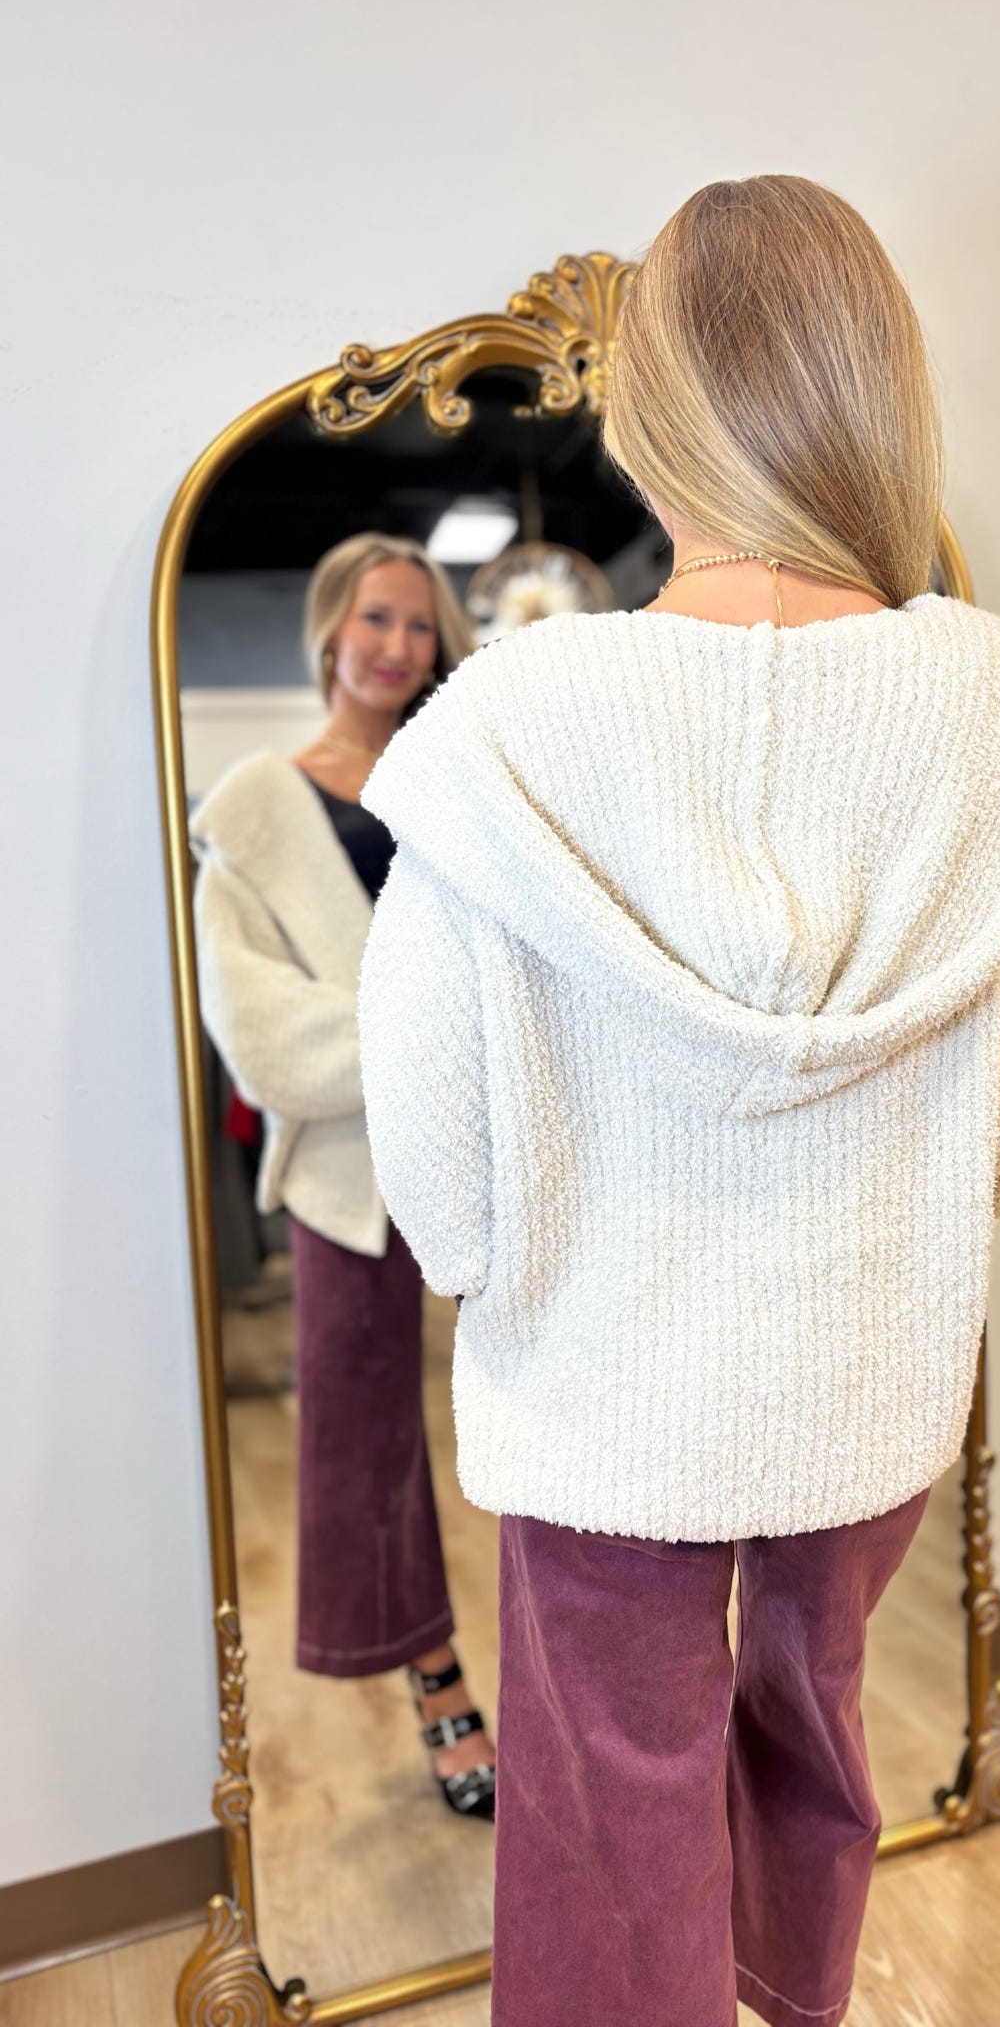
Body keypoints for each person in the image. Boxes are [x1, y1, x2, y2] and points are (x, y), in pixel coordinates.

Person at [357, 177, 1000, 2024]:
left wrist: (524, 1257)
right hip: (868, 1360)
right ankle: (789, 1991)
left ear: (651, 409)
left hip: (596, 1382)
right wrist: (875, 1201)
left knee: (610, 1790)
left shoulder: (511, 729)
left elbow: (436, 1168)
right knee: (812, 1712)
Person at [190, 533, 497, 1821]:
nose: (397, 646)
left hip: (493, 1143)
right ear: (329, 628)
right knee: (364, 1436)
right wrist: (431, 1039)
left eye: (420, 625)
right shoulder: (258, 806)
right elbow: (257, 1031)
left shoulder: (460, 781)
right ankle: (438, 1680)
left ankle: (581, 1665)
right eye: (378, 617)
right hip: (345, 1167)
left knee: (548, 1410)